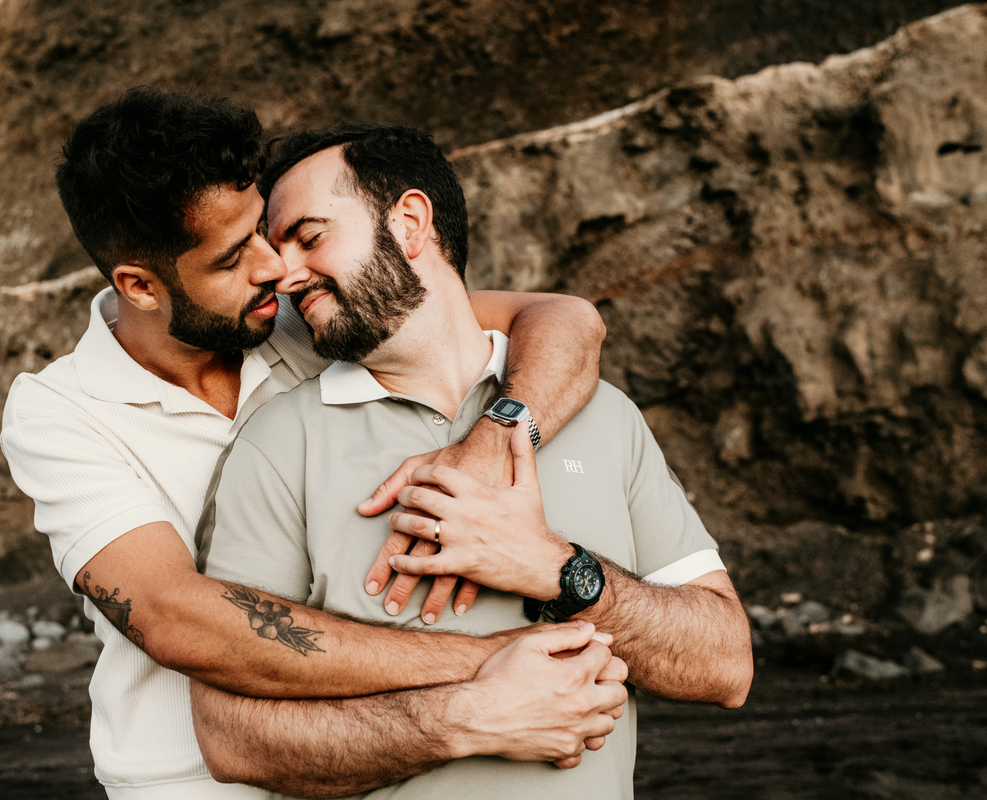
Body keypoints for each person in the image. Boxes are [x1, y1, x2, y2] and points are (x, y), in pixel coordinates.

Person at [0, 86, 626, 800]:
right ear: (141, 285)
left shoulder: (308, 322)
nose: (275, 267)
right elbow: (178, 617)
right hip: (189, 784)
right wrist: (486, 664)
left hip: (363, 765)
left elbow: (564, 319)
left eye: (265, 230)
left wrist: (491, 443)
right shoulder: (60, 412)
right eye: (234, 257)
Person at [194, 123, 755, 798]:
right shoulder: (279, 444)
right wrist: (464, 720)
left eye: (309, 237)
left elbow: (727, 664)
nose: (283, 274)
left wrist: (554, 568)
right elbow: (232, 736)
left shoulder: (603, 413)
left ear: (409, 223)